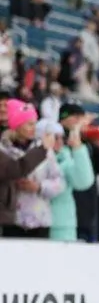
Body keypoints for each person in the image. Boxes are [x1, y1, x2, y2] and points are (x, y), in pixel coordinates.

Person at [0, 99, 63, 238]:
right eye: (29, 124)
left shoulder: (45, 149)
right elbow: (14, 170)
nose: (34, 128)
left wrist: (39, 187)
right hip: (11, 220)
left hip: (40, 220)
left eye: (35, 123)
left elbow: (59, 182)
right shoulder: (3, 149)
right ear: (17, 125)